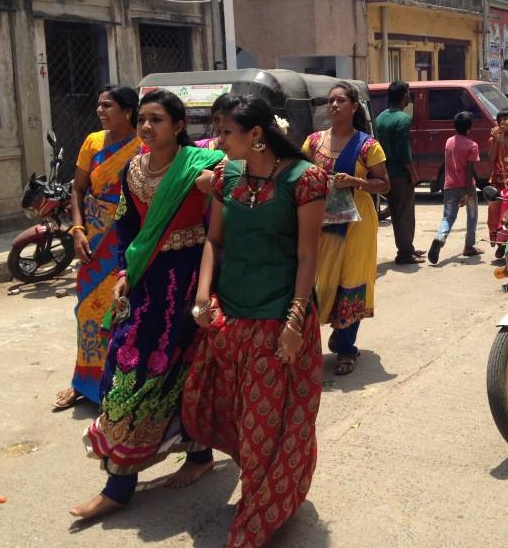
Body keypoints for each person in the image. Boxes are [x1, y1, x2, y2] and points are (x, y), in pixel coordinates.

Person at [70, 90, 224, 520]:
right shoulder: (133, 168)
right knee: (124, 373)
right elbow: (126, 224)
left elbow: (240, 196)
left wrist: (217, 186)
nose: (146, 127)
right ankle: (120, 481)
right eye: (142, 119)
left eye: (157, 119)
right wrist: (121, 273)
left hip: (187, 278)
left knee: (186, 369)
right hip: (143, 280)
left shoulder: (201, 166)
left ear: (178, 125)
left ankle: (195, 456)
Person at [182, 94, 328, 547]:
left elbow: (308, 255)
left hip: (278, 319)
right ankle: (262, 492)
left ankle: (256, 518)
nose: (218, 140)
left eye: (226, 132)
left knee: (269, 428)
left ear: (256, 135)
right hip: (232, 319)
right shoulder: (227, 177)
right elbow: (215, 241)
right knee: (240, 419)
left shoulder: (305, 180)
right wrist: (205, 295)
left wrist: (294, 322)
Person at [55, 86, 140, 411]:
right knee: (88, 310)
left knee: (123, 310)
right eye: (99, 105)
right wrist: (77, 231)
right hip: (92, 239)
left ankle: (120, 381)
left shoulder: (144, 145)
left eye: (108, 105)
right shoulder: (92, 142)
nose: (101, 111)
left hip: (127, 238)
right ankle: (83, 382)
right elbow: (77, 189)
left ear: (128, 111)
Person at [303, 82, 389, 376]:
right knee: (319, 283)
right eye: (331, 101)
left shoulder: (367, 145)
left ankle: (345, 348)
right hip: (321, 223)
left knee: (351, 281)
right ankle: (310, 343)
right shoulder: (313, 143)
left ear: (354, 107)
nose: (335, 105)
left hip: (357, 225)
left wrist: (356, 182)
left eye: (341, 100)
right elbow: (299, 174)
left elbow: (385, 184)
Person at [375, 81, 424, 265]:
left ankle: (406, 247)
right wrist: (413, 173)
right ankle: (404, 252)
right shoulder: (403, 119)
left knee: (396, 213)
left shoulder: (380, 118)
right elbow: (404, 152)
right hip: (400, 174)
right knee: (405, 214)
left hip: (385, 173)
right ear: (404, 96)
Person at [428, 111, 482, 264]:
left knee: (448, 217)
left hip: (450, 185)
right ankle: (469, 246)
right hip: (467, 186)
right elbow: (469, 170)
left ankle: (440, 237)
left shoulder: (449, 142)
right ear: (470, 128)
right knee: (472, 216)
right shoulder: (473, 145)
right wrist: (466, 191)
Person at [487, 108, 508, 255]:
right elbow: (491, 159)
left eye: (505, 119)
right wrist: (495, 141)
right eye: (499, 120)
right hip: (498, 180)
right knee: (495, 212)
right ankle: (500, 244)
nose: (501, 122)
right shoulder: (496, 137)